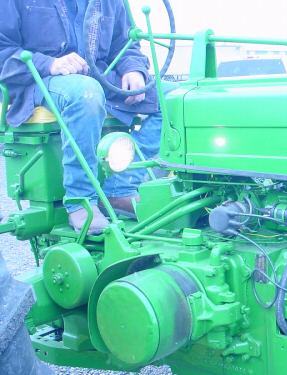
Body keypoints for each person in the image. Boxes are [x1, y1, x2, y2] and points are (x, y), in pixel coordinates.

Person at [0, 0, 165, 234]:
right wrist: (50, 63)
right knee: (85, 93)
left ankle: (120, 186)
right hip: (35, 81)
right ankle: (81, 201)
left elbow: (126, 43)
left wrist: (133, 68)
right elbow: (3, 51)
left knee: (174, 97)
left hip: (99, 77)